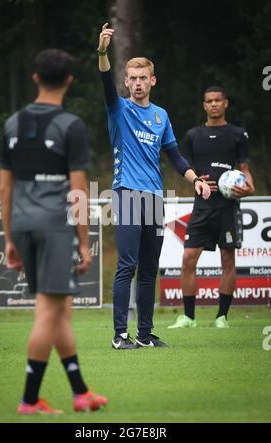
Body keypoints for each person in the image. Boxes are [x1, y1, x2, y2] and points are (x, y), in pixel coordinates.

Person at [0, 48, 107, 414]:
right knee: (49, 310)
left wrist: (9, 237)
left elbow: (4, 188)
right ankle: (29, 399)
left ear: (35, 78)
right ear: (70, 82)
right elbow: (77, 191)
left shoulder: (11, 124)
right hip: (54, 227)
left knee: (61, 310)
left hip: (23, 223)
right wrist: (84, 241)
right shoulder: (71, 126)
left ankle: (80, 392)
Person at [98, 24, 211, 349]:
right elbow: (105, 80)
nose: (136, 83)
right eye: (131, 78)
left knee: (149, 271)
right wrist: (103, 52)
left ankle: (145, 335)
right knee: (127, 265)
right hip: (127, 195)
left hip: (154, 198)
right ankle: (121, 335)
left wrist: (195, 180)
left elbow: (175, 156)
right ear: (126, 82)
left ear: (152, 80)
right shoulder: (118, 108)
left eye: (141, 78)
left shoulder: (161, 115)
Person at [168, 85, 255, 329]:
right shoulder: (193, 135)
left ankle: (221, 317)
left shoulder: (238, 134)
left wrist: (249, 188)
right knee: (188, 258)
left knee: (228, 260)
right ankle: (188, 317)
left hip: (228, 208)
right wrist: (196, 180)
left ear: (225, 103)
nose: (214, 104)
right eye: (209, 101)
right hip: (202, 208)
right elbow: (187, 170)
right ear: (204, 105)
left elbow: (246, 173)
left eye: (218, 100)